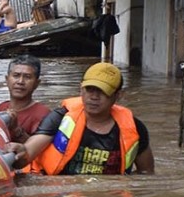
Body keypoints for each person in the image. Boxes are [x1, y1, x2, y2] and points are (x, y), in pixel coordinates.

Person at [24, 61, 155, 174]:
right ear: (80, 89)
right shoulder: (60, 118)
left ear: (118, 95)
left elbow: (146, 173)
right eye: (89, 89)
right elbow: (27, 153)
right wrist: (19, 151)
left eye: (102, 91)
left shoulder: (135, 128)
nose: (94, 97)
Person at [0, 55, 52, 137]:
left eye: (27, 77)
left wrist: (15, 129)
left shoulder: (43, 114)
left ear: (36, 83)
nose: (20, 81)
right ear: (7, 80)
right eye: (16, 75)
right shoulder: (1, 107)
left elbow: (37, 147)